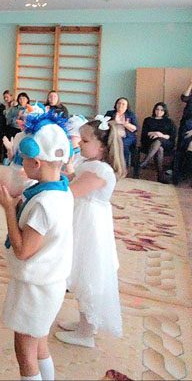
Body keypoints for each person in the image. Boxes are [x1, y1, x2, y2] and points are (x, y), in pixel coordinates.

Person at [0, 112, 74, 381]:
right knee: (39, 345)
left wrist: (9, 209)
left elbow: (23, 250)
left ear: (36, 162)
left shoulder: (44, 204)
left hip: (36, 287)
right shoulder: (62, 190)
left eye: (24, 160)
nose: (22, 166)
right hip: (50, 282)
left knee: (25, 352)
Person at [56, 116, 125, 349]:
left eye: (85, 141)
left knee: (88, 272)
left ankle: (87, 332)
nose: (79, 144)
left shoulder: (100, 170)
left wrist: (53, 184)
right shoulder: (89, 164)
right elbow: (70, 179)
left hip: (90, 225)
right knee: (80, 269)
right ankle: (84, 323)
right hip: (83, 219)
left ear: (102, 146)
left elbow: (70, 192)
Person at [139, 102, 176, 183]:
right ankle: (160, 175)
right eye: (157, 109)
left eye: (162, 110)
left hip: (166, 143)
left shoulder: (169, 121)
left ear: (165, 111)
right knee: (159, 149)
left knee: (159, 140)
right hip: (150, 142)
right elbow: (144, 133)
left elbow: (172, 136)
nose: (159, 111)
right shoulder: (148, 120)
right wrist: (154, 133)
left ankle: (146, 161)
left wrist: (161, 135)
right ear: (154, 110)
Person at [105, 97, 137, 167]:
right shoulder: (110, 113)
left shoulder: (131, 114)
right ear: (116, 104)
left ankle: (124, 166)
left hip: (126, 137)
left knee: (123, 144)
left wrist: (125, 124)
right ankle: (111, 165)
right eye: (119, 103)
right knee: (110, 143)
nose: (120, 105)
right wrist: (114, 122)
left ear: (127, 106)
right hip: (112, 135)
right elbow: (104, 124)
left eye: (123, 104)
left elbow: (135, 128)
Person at [64, 115, 88, 179]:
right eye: (66, 137)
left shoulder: (83, 156)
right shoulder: (64, 151)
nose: (68, 140)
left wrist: (69, 164)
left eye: (70, 137)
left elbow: (75, 178)